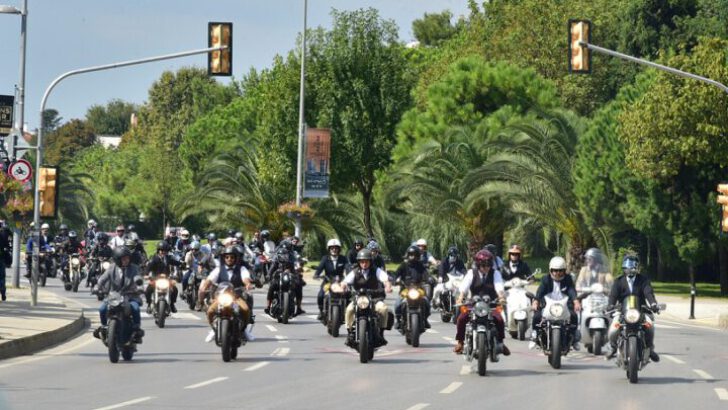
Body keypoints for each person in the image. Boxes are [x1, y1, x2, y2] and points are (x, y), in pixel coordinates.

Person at [453, 250, 510, 357]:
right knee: (461, 318)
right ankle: (460, 342)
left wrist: (501, 297)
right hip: (473, 304)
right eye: (483, 265)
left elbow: (499, 287)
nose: (485, 267)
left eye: (488, 265)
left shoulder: (495, 273)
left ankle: (501, 343)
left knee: (499, 319)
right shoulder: (471, 273)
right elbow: (464, 287)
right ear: (478, 265)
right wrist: (460, 297)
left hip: (491, 304)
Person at [605, 255, 660, 362]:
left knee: (650, 327)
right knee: (613, 328)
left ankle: (649, 349)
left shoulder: (643, 280)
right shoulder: (619, 281)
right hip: (622, 311)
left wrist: (653, 304)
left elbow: (648, 293)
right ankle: (613, 347)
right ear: (624, 268)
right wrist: (610, 305)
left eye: (632, 268)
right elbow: (613, 296)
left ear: (636, 268)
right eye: (627, 268)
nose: (629, 270)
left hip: (641, 311)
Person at [197, 246, 255, 343]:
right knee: (210, 311)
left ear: (236, 258)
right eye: (227, 257)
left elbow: (246, 278)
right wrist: (204, 286)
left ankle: (244, 330)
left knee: (245, 309)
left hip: (236, 297)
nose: (229, 259)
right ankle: (214, 329)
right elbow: (210, 279)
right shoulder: (219, 269)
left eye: (232, 257)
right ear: (224, 258)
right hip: (221, 297)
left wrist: (248, 284)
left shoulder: (241, 268)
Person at [341, 248, 392, 346]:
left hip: (374, 298)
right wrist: (342, 287)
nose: (364, 264)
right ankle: (350, 333)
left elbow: (385, 279)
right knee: (349, 310)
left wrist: (388, 286)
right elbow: (345, 281)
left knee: (383, 309)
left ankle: (381, 333)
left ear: (370, 261)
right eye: (362, 261)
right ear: (359, 262)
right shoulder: (355, 272)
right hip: (358, 299)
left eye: (366, 261)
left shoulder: (376, 270)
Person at [93, 246, 144, 343]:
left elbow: (138, 278)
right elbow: (102, 279)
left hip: (130, 296)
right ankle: (104, 327)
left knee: (135, 308)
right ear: (117, 259)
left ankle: (137, 330)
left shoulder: (134, 268)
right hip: (114, 296)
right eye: (123, 258)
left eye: (127, 258)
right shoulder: (111, 268)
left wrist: (140, 287)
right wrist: (97, 287)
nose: (126, 260)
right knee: (102, 309)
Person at [529, 256, 581, 350]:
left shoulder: (568, 279)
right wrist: (536, 301)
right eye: (555, 270)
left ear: (564, 270)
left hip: (564, 305)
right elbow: (540, 290)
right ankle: (534, 335)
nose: (557, 273)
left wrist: (575, 301)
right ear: (551, 270)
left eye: (560, 270)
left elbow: (571, 290)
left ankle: (574, 338)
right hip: (548, 305)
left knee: (573, 315)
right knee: (537, 316)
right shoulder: (546, 279)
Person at [394, 245, 432, 329]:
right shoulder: (403, 265)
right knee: (397, 304)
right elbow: (396, 274)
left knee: (426, 302)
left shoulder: (420, 265)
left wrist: (429, 279)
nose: (413, 256)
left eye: (415, 255)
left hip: (418, 289)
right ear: (408, 255)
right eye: (411, 254)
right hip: (405, 289)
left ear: (418, 256)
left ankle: (425, 319)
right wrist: (395, 280)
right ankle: (398, 320)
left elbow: (426, 274)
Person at [313, 239, 350, 320]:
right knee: (320, 295)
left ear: (339, 249)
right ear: (329, 249)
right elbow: (320, 268)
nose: (334, 249)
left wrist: (349, 276)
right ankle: (321, 311)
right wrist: (316, 274)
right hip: (328, 281)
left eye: (336, 248)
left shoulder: (343, 258)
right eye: (332, 248)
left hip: (340, 282)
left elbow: (348, 268)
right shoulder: (325, 258)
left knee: (348, 294)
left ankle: (347, 312)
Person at [264, 246, 305, 316]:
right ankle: (268, 306)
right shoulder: (276, 262)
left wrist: (298, 274)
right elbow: (271, 269)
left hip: (288, 280)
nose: (284, 256)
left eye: (285, 255)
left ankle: (299, 307)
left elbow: (295, 270)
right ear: (279, 256)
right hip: (278, 279)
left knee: (298, 287)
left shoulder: (290, 262)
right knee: (272, 287)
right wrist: (268, 275)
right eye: (282, 255)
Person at [145, 241, 181, 313]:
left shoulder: (168, 258)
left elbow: (176, 262)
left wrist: (182, 264)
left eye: (165, 250)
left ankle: (172, 304)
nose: (163, 252)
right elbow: (148, 267)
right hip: (155, 279)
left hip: (166, 279)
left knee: (175, 289)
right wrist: (146, 275)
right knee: (148, 290)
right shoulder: (154, 259)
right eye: (161, 250)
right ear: (158, 250)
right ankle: (149, 304)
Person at [0, 220, 10, 301]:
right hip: (1, 259)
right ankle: (3, 293)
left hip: (2, 259)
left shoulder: (4, 234)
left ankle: (3, 293)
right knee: (2, 277)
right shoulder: (4, 234)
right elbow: (7, 246)